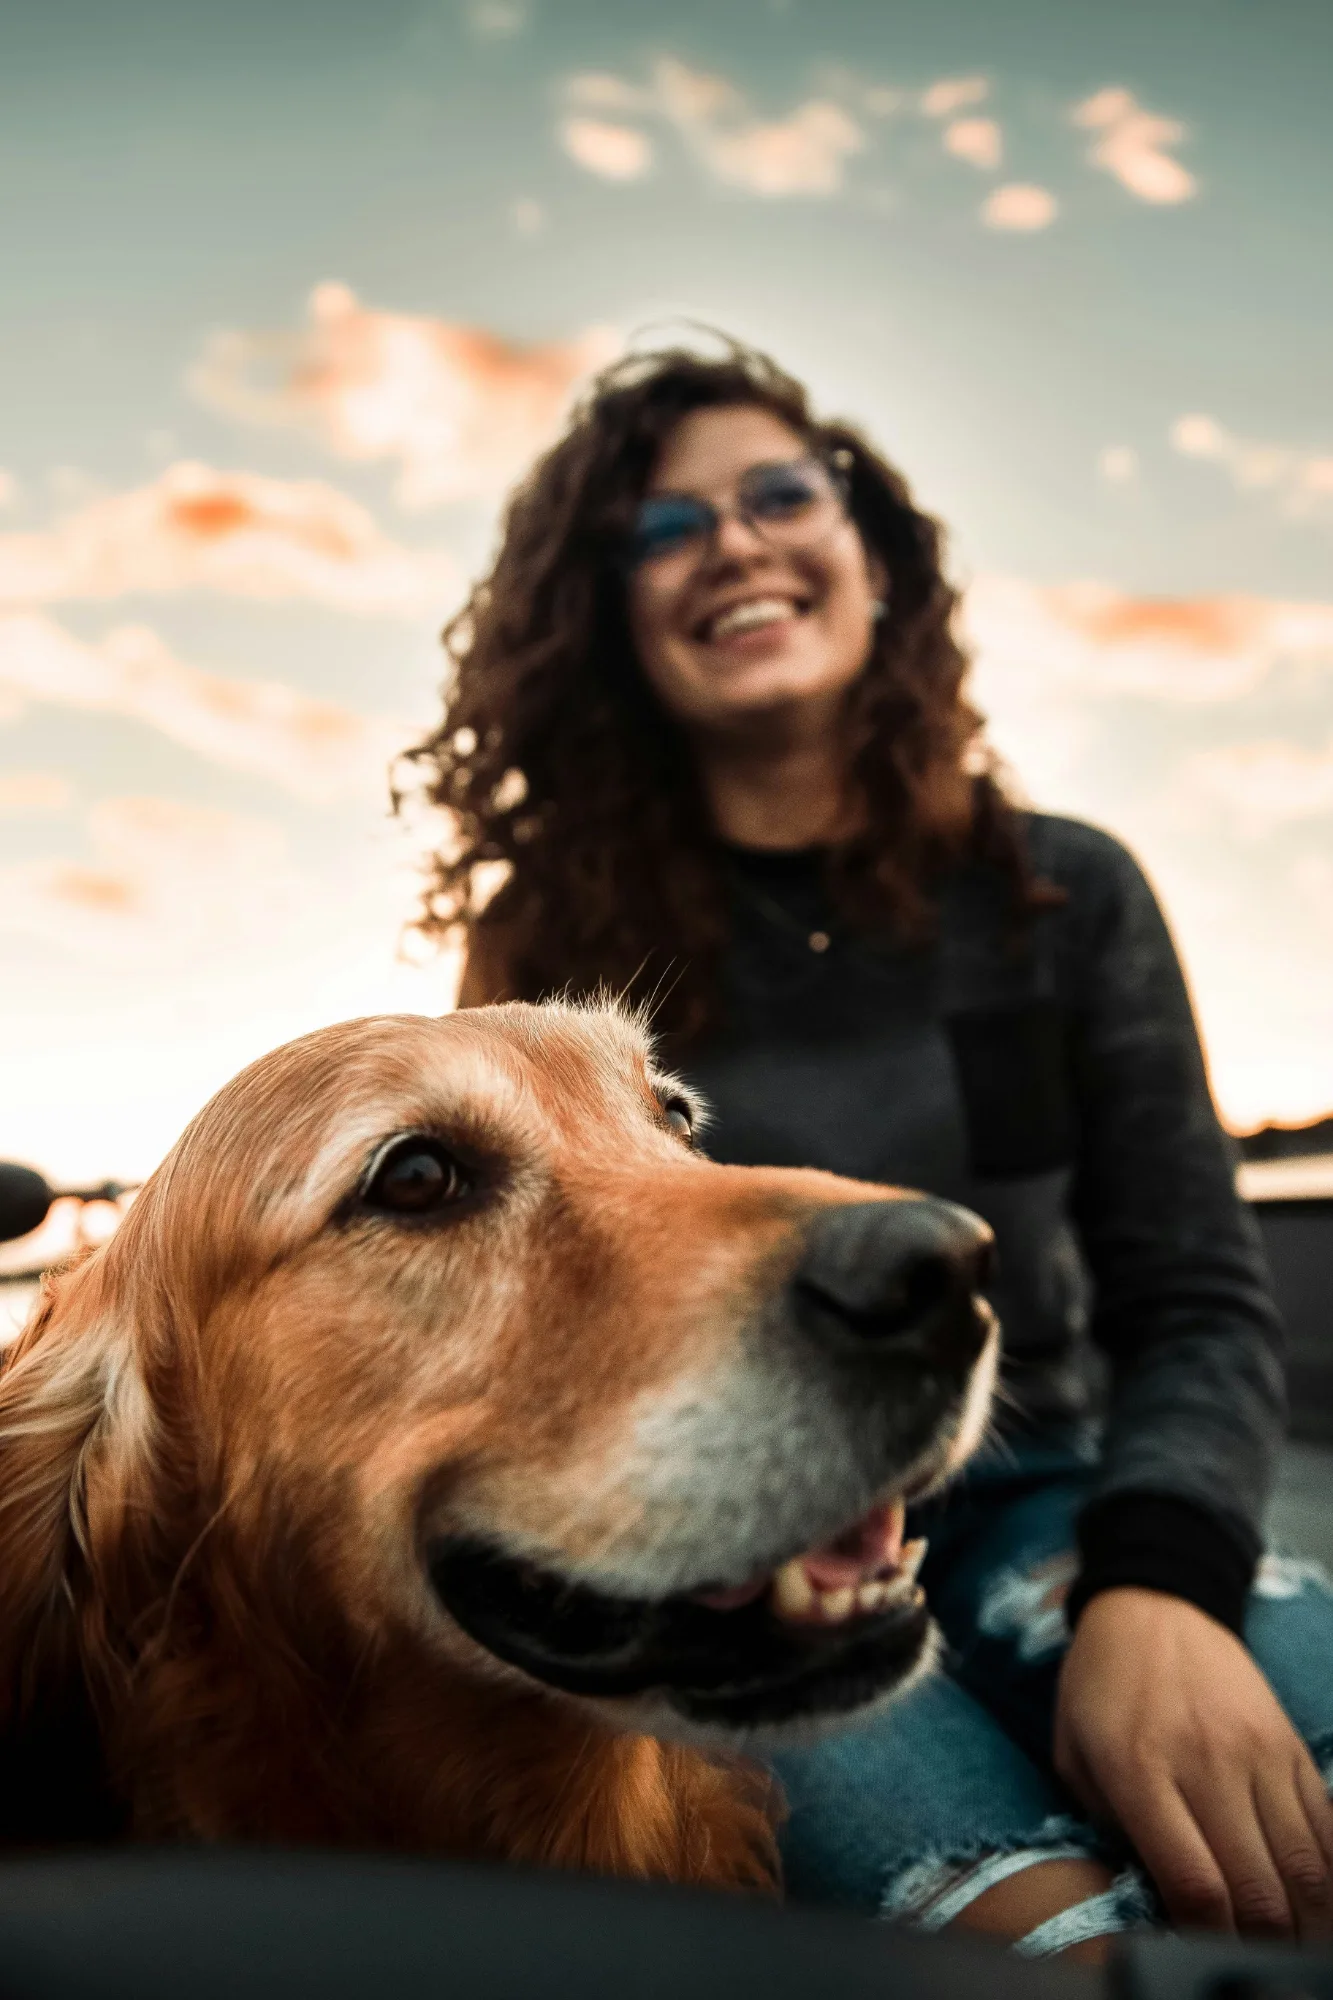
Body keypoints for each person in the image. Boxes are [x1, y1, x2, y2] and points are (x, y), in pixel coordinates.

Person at [399, 339, 1333, 1962]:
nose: (737, 543)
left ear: (875, 556)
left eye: (780, 493)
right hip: (721, 1549)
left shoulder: (1064, 893)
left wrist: (1165, 1589)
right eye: (664, 530)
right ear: (610, 623)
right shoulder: (545, 939)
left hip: (1063, 1488)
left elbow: (1197, 1301)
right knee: (1031, 1939)